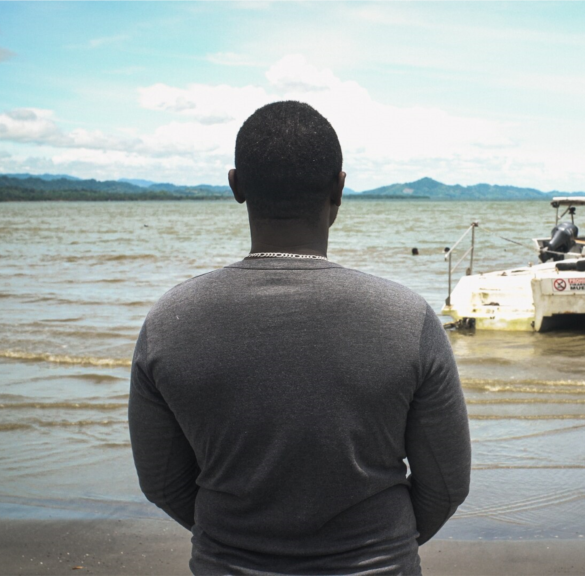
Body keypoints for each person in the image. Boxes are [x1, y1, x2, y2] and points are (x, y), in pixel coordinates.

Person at [129, 101, 471, 576]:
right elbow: (447, 486)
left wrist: (237, 542)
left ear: (236, 186)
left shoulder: (170, 321)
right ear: (340, 187)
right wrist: (379, 547)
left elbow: (163, 483)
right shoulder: (406, 318)